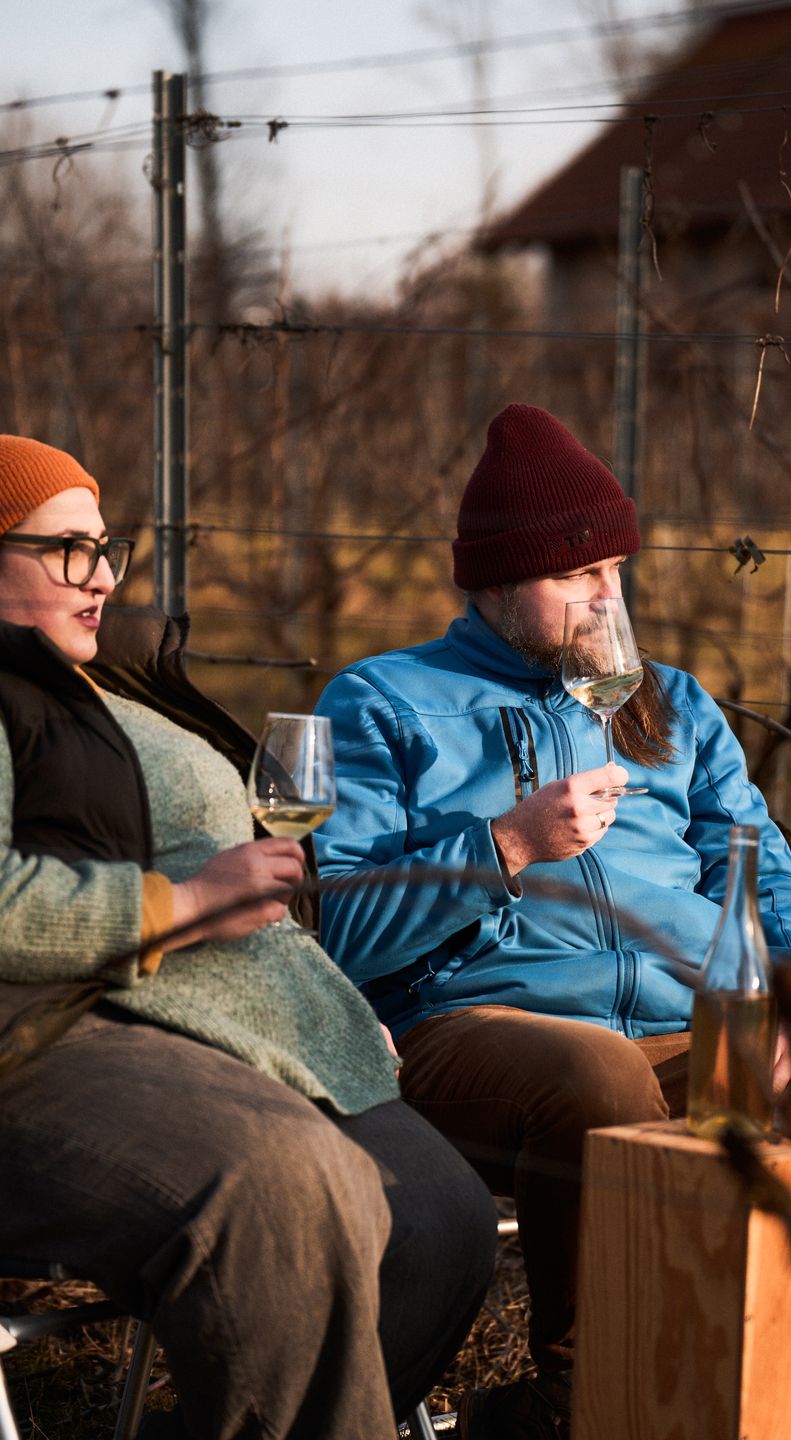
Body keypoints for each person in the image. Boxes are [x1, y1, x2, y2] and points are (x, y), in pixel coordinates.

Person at [313, 403, 791, 1440]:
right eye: (578, 580)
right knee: (597, 1074)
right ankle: (576, 1397)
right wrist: (502, 847)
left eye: (616, 575)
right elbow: (335, 926)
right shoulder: (381, 701)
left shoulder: (672, 703)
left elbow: (760, 867)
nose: (608, 603)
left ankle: (783, 1399)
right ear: (499, 582)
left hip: (680, 1018)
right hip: (465, 1031)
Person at [0, 434, 497, 1440]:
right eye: (65, 550)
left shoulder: (97, 689)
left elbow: (243, 899)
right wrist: (178, 906)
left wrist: (327, 1015)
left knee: (438, 1210)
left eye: (105, 548)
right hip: (53, 1031)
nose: (100, 576)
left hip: (205, 1020)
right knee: (283, 1188)